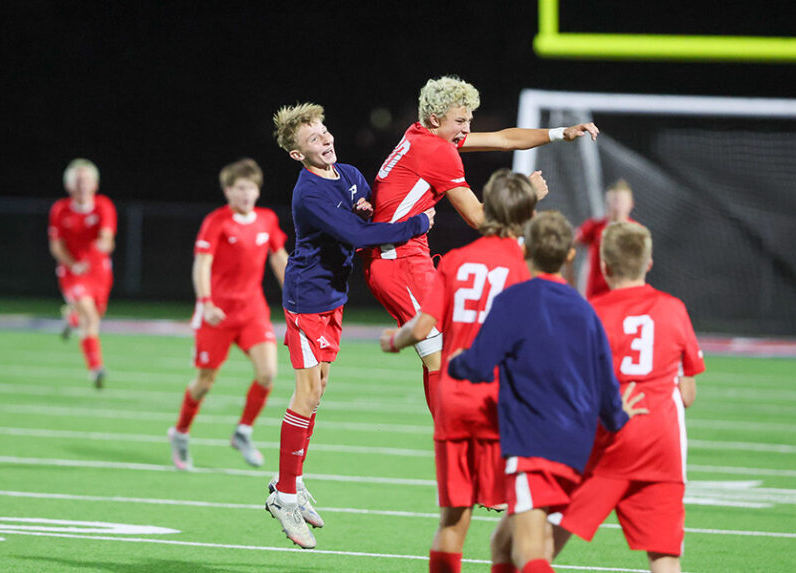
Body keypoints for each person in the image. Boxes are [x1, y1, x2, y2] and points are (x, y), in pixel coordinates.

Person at [364, 75, 599, 415]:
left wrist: (560, 133)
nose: (467, 127)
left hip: (402, 258)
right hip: (397, 260)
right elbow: (479, 218)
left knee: (445, 350)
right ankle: (452, 434)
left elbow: (503, 139)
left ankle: (455, 433)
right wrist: (528, 194)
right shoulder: (437, 151)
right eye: (461, 121)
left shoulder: (421, 134)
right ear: (436, 119)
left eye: (469, 119)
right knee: (441, 357)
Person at [265, 102, 436, 550]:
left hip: (333, 299)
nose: (324, 140)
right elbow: (361, 236)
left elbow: (371, 214)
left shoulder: (352, 174)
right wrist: (418, 222)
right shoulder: (310, 194)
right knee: (305, 393)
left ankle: (293, 482)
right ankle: (283, 495)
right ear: (296, 155)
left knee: (317, 391)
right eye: (312, 139)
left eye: (324, 131)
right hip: (306, 300)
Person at [447, 211, 647, 573]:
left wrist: (456, 360)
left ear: (525, 251)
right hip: (576, 448)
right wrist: (620, 416)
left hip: (533, 442)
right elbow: (605, 384)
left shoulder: (515, 300)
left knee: (529, 553)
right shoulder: (585, 310)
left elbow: (477, 366)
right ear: (570, 255)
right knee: (502, 546)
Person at [379, 169, 538, 573]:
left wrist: (393, 342)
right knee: (522, 522)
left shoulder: (456, 260)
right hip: (497, 399)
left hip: (453, 396)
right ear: (524, 216)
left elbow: (422, 326)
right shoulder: (524, 266)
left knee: (453, 518)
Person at [551, 221, 705, 573]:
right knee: (665, 557)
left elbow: (572, 387)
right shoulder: (673, 309)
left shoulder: (591, 313)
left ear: (604, 266)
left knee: (545, 540)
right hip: (660, 444)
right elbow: (688, 394)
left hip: (607, 440)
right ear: (648, 263)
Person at [167, 159, 288, 471]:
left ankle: (243, 431)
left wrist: (296, 296)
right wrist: (206, 302)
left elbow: (278, 258)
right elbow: (202, 264)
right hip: (217, 314)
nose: (246, 194)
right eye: (239, 188)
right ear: (228, 191)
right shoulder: (216, 221)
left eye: (251, 188)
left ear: (258, 191)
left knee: (268, 373)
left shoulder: (267, 219)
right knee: (205, 382)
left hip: (252, 311)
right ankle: (180, 432)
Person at [48, 158, 116, 389]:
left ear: (95, 184)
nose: (82, 185)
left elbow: (107, 237)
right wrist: (73, 264)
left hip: (99, 271)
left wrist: (102, 246)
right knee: (90, 316)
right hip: (73, 272)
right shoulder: (60, 209)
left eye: (86, 180)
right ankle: (96, 368)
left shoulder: (103, 205)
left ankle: (71, 318)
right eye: (77, 181)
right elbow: (56, 245)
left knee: (95, 313)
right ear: (69, 185)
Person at [571, 179, 635, 300]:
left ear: (631, 204)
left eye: (621, 201)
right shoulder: (595, 227)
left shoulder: (637, 232)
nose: (617, 206)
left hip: (622, 294)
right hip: (594, 294)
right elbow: (568, 242)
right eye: (613, 201)